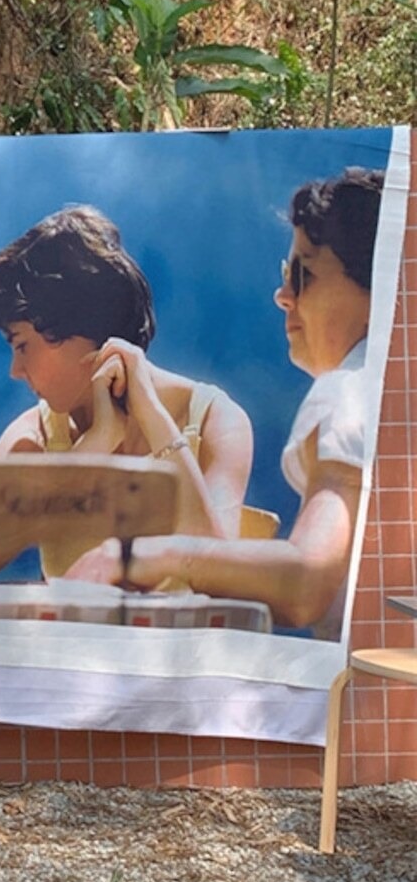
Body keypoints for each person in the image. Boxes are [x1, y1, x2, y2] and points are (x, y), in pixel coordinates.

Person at [66, 168, 384, 641]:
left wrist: (136, 555)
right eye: (286, 275)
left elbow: (306, 582)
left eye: (304, 275)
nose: (283, 296)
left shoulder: (349, 392)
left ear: (380, 288)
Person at [0, 205, 254, 582]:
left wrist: (155, 420)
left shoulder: (215, 420)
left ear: (82, 333)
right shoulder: (35, 435)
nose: (15, 371)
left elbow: (222, 570)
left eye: (23, 346)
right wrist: (96, 443)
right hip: (71, 625)